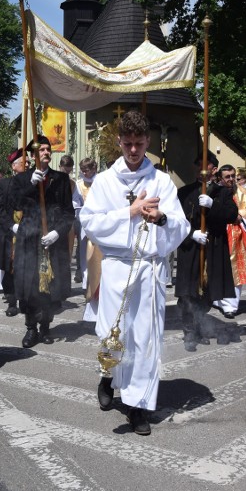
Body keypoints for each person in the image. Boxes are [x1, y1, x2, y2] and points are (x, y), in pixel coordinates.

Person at [80, 110, 189, 436]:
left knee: (145, 338)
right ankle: (108, 376)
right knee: (113, 334)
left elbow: (180, 225)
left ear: (147, 142)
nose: (133, 150)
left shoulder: (161, 181)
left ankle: (137, 406)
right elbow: (90, 223)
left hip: (149, 267)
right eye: (127, 143)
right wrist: (129, 212)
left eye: (139, 144)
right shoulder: (104, 181)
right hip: (116, 267)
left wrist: (161, 219)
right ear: (118, 142)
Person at [11, 136, 75, 348]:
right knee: (30, 286)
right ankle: (31, 328)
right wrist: (31, 185)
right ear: (32, 155)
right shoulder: (22, 179)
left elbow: (68, 212)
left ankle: (46, 326)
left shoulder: (61, 179)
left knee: (50, 286)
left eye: (48, 149)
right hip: (30, 238)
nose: (46, 153)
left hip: (52, 240)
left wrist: (58, 232)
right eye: (41, 150)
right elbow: (16, 203)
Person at [174, 152, 237, 351]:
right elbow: (177, 222)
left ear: (214, 169)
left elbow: (232, 215)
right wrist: (191, 234)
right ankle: (189, 332)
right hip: (191, 248)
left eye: (205, 165)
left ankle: (200, 327)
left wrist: (213, 205)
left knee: (207, 291)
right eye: (198, 164)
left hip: (212, 248)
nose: (201, 168)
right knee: (187, 292)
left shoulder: (222, 192)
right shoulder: (184, 192)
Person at [214, 164, 246, 319]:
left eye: (233, 176)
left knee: (236, 270)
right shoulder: (214, 191)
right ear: (220, 177)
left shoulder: (243, 192)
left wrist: (238, 214)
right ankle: (218, 300)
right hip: (218, 233)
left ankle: (231, 305)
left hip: (236, 234)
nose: (231, 179)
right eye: (228, 176)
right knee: (218, 268)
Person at [0, 151, 27, 317]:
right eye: (23, 163)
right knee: (9, 269)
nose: (27, 166)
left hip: (27, 232)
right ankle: (12, 301)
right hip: (7, 233)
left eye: (28, 163)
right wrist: (12, 225)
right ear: (14, 166)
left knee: (26, 269)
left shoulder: (32, 183)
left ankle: (25, 301)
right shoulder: (4, 184)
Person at [77, 157, 103, 315]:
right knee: (83, 254)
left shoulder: (100, 181)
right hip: (83, 222)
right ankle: (86, 283)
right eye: (83, 170)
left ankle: (97, 282)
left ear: (94, 169)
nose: (85, 173)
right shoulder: (79, 184)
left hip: (98, 222)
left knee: (96, 254)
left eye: (87, 170)